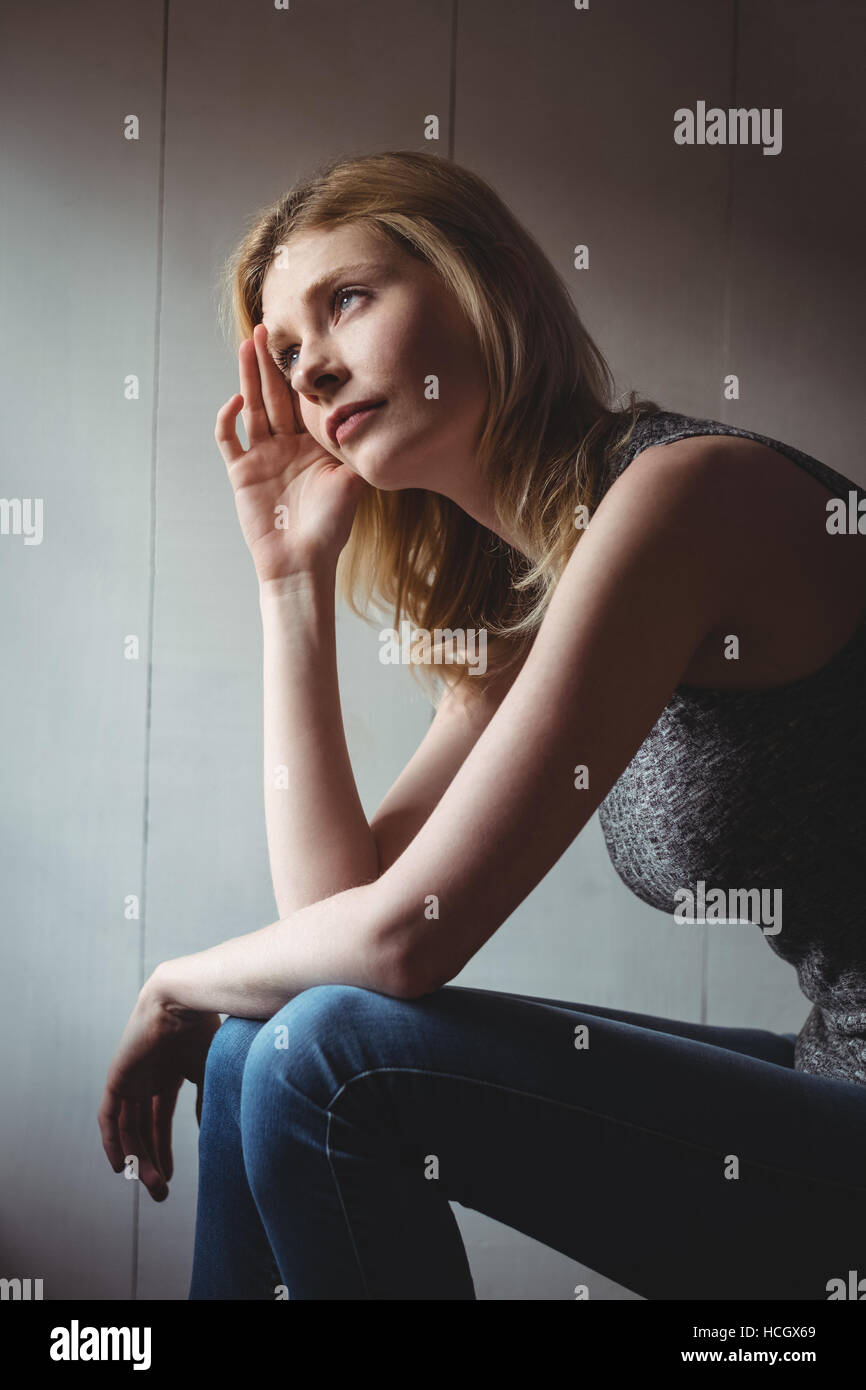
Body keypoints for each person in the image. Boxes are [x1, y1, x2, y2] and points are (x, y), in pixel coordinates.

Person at [98, 151, 866, 1300]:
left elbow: (405, 940)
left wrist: (173, 979)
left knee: (317, 1055)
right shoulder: (537, 584)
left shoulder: (681, 498)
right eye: (289, 354)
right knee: (268, 1039)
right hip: (831, 1075)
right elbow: (336, 923)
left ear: (486, 281)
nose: (314, 371)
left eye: (345, 300)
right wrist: (289, 578)